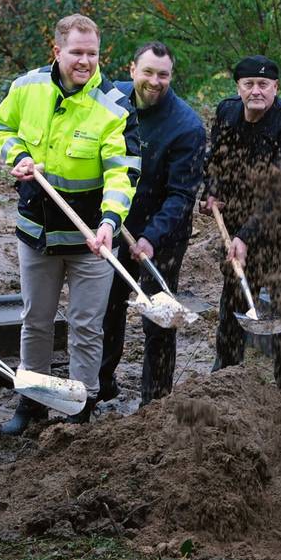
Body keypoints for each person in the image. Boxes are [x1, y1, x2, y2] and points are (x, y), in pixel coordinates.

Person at [0, 14, 141, 434]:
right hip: (37, 232)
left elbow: (122, 172)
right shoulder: (27, 87)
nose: (85, 61)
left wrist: (110, 221)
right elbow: (2, 126)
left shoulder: (114, 105)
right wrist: (17, 155)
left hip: (91, 235)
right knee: (36, 320)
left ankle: (80, 405)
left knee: (86, 326)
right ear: (57, 51)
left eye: (92, 53)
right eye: (76, 52)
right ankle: (33, 400)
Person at [98, 41, 205, 403]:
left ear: (171, 76)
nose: (154, 81)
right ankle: (101, 383)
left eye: (163, 75)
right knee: (107, 308)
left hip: (163, 233)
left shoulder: (186, 126)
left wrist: (152, 237)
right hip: (113, 223)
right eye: (147, 72)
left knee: (158, 316)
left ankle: (155, 401)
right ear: (132, 70)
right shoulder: (110, 98)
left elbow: (181, 195)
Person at [200, 56, 281, 386]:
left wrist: (247, 235)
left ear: (275, 87)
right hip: (238, 226)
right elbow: (216, 159)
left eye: (264, 84)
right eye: (249, 84)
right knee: (233, 304)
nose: (256, 91)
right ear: (239, 87)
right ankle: (226, 377)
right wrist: (212, 191)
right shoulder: (227, 112)